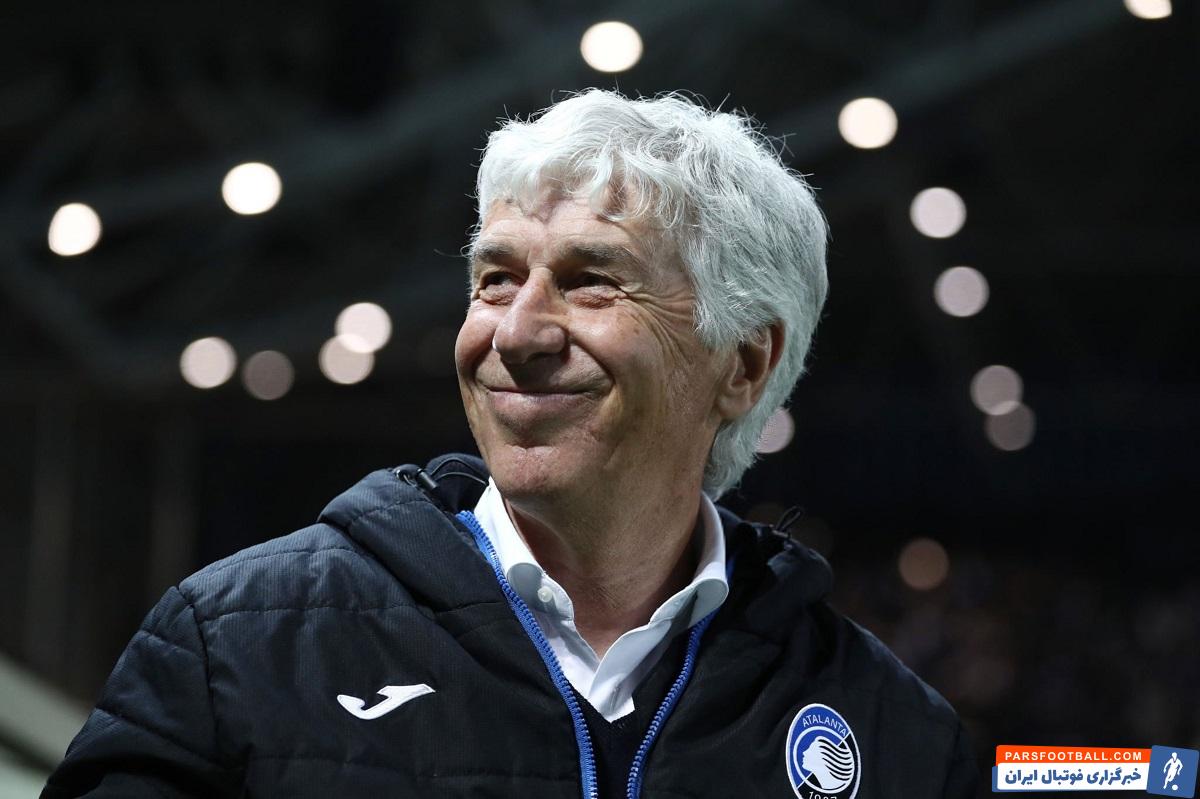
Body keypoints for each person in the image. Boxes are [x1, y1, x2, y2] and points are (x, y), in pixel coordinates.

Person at [44, 90, 978, 798]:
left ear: (742, 363)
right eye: (495, 278)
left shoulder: (894, 734)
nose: (517, 331)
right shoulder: (236, 645)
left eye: (591, 280)